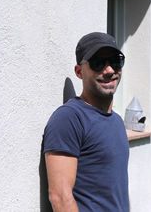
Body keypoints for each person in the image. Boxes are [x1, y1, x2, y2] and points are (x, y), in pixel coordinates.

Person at [43, 32, 129, 212]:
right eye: (98, 63)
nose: (109, 70)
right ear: (79, 71)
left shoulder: (117, 121)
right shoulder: (69, 118)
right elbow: (60, 197)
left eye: (115, 61)